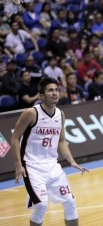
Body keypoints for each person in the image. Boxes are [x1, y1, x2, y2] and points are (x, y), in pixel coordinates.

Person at [11, 77, 88, 226]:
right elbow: (14, 138)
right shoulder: (31, 113)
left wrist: (71, 161)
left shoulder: (60, 114)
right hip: (32, 166)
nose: (55, 93)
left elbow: (61, 141)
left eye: (56, 90)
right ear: (41, 96)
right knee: (41, 205)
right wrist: (18, 165)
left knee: (70, 202)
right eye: (50, 90)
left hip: (53, 166)